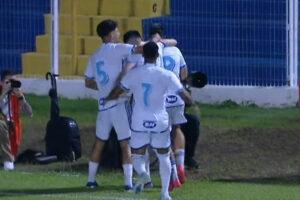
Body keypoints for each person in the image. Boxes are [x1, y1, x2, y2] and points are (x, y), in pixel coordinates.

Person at [106, 42, 193, 200]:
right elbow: (183, 94)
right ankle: (165, 194)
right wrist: (191, 102)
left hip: (139, 119)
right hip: (159, 119)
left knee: (137, 155)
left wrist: (108, 99)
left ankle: (144, 174)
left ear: (143, 55)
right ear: (158, 56)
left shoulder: (134, 74)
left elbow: (119, 90)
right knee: (164, 156)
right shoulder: (166, 74)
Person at [84, 19, 143, 190]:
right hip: (119, 104)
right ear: (111, 34)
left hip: (103, 106)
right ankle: (128, 182)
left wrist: (103, 89)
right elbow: (139, 49)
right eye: (117, 31)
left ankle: (90, 180)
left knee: (99, 143)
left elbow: (88, 82)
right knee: (126, 144)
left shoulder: (95, 55)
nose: (119, 34)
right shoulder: (117, 49)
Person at [149, 24, 189, 189]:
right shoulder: (175, 50)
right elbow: (184, 72)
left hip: (161, 98)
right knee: (177, 129)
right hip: (177, 96)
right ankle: (180, 165)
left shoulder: (150, 50)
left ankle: (173, 176)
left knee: (164, 135)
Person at [0, 70, 33, 170]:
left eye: (13, 81)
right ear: (2, 82)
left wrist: (22, 99)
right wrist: (4, 92)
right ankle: (8, 161)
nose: (11, 84)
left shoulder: (17, 94)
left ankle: (8, 159)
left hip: (12, 127)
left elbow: (29, 114)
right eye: (8, 82)